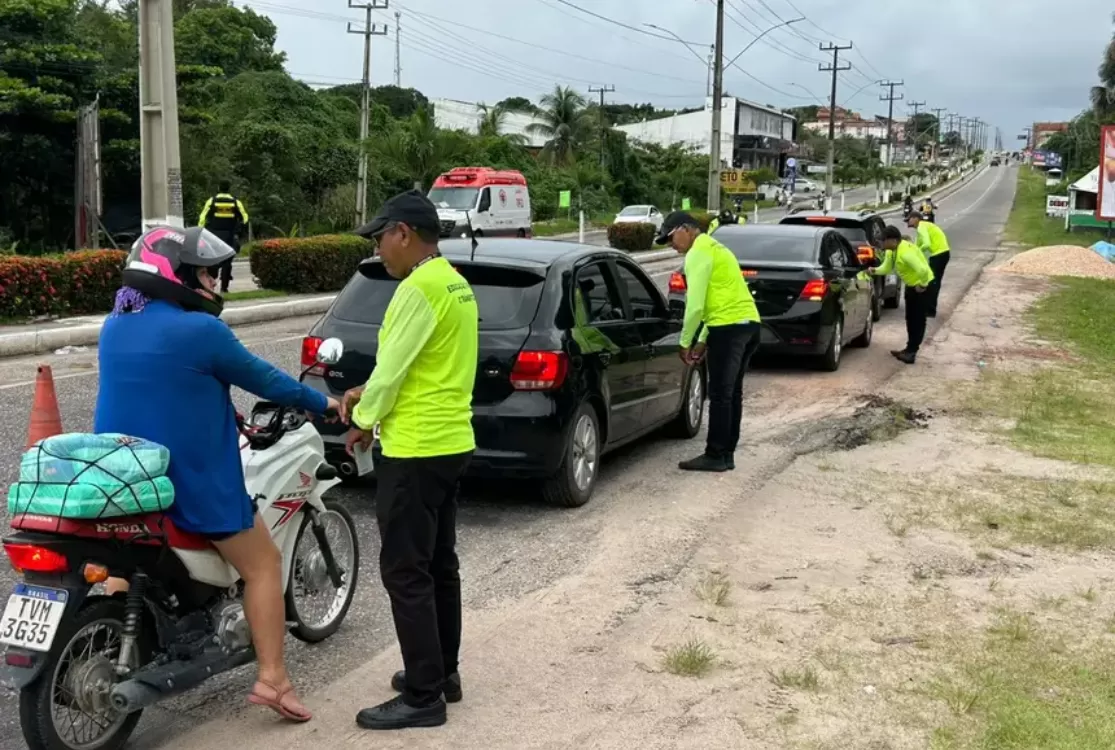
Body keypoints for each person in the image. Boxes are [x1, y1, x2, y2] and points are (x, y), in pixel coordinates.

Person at [95, 226, 339, 722]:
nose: (214, 282)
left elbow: (163, 391)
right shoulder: (202, 332)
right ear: (177, 275)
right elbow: (265, 379)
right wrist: (324, 403)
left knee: (123, 569)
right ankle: (273, 679)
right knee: (264, 564)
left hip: (122, 483)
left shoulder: (115, 326)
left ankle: (123, 643)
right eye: (206, 273)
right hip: (187, 486)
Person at [340, 189, 479, 731]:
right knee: (440, 564)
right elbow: (421, 365)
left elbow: (393, 369)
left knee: (405, 571)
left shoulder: (416, 290)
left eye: (380, 238)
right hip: (450, 442)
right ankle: (444, 673)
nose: (377, 249)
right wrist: (368, 393)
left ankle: (424, 696)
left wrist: (362, 417)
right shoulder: (454, 283)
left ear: (404, 233)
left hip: (415, 448)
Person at [656, 211, 761, 473]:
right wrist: (703, 339)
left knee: (720, 395)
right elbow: (718, 300)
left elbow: (695, 307)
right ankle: (727, 454)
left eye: (670, 238)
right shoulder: (716, 247)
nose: (671, 245)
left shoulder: (697, 254)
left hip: (728, 328)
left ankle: (715, 454)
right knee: (732, 393)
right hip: (749, 325)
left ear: (686, 229)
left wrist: (685, 342)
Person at [871, 225, 934, 364]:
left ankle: (912, 352)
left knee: (917, 320)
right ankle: (908, 349)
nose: (881, 243)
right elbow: (887, 268)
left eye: (884, 240)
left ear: (893, 240)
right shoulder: (891, 251)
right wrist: (874, 271)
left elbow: (923, 270)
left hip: (922, 287)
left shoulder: (906, 252)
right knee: (910, 319)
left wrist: (922, 285)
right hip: (912, 286)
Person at [199, 180, 250, 293]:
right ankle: (224, 288)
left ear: (219, 188)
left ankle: (210, 286)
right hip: (229, 236)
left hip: (213, 236)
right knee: (227, 262)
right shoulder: (236, 202)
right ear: (229, 189)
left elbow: (202, 217)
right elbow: (245, 218)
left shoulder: (212, 201)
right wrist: (239, 231)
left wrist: (201, 232)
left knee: (213, 260)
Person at [905, 210, 951, 317]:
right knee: (933, 282)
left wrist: (917, 253)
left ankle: (930, 310)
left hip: (939, 254)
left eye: (909, 219)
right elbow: (916, 245)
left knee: (932, 282)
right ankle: (928, 308)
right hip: (941, 254)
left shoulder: (921, 226)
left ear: (916, 219)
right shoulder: (923, 227)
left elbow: (926, 244)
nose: (907, 222)